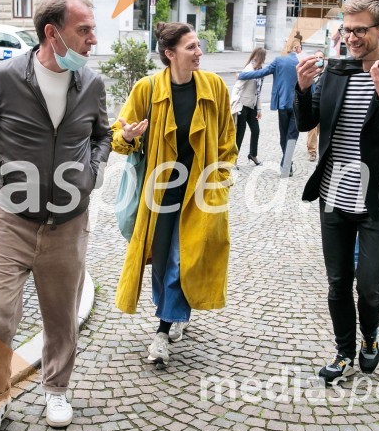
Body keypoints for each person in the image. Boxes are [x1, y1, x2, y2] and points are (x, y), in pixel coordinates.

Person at [0, 0, 111, 431]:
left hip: (69, 223)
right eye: (84, 31)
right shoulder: (4, 78)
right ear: (52, 33)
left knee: (62, 316)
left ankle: (56, 388)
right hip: (11, 221)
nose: (93, 39)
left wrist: (93, 173)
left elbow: (104, 133)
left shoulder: (91, 83)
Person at [294, 0, 379, 384]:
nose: (351, 38)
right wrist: (302, 89)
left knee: (370, 287)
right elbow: (307, 124)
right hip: (334, 197)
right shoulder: (336, 71)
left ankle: (370, 337)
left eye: (359, 31)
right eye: (346, 29)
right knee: (338, 282)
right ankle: (342, 351)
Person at [112, 22, 237, 366]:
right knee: (161, 258)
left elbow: (228, 136)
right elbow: (118, 136)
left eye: (199, 45)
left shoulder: (213, 86)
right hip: (159, 193)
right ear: (170, 54)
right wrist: (129, 136)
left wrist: (222, 175)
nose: (199, 53)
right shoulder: (147, 89)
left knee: (185, 258)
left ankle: (163, 331)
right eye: (191, 47)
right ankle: (174, 311)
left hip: (199, 192)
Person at [238, 39, 303, 176]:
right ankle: (287, 165)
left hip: (284, 104)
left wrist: (241, 75)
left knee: (284, 135)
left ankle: (286, 165)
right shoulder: (301, 62)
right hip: (298, 106)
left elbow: (261, 72)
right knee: (292, 137)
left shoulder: (279, 60)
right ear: (297, 48)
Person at [230, 47, 267, 166]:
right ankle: (234, 159)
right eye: (261, 58)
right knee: (240, 133)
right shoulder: (249, 69)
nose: (260, 61)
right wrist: (234, 103)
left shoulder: (261, 71)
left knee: (256, 130)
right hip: (242, 106)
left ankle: (252, 154)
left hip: (252, 107)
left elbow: (258, 92)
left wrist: (259, 109)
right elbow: (237, 87)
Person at [305, 50, 326, 162]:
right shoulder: (310, 73)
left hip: (324, 106)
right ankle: (312, 152)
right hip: (312, 106)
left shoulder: (327, 73)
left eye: (321, 57)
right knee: (312, 129)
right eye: (317, 57)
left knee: (322, 130)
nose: (319, 59)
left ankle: (322, 151)